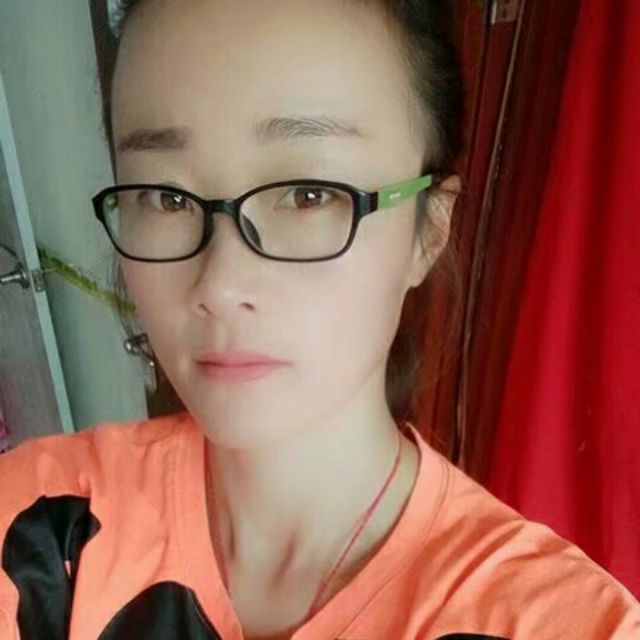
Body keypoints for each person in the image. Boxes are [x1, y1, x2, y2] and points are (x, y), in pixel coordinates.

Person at [0, 1, 638, 638]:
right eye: (164, 197)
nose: (220, 285)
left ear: (429, 230)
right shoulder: (41, 520)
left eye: (310, 194)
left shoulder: (562, 624)